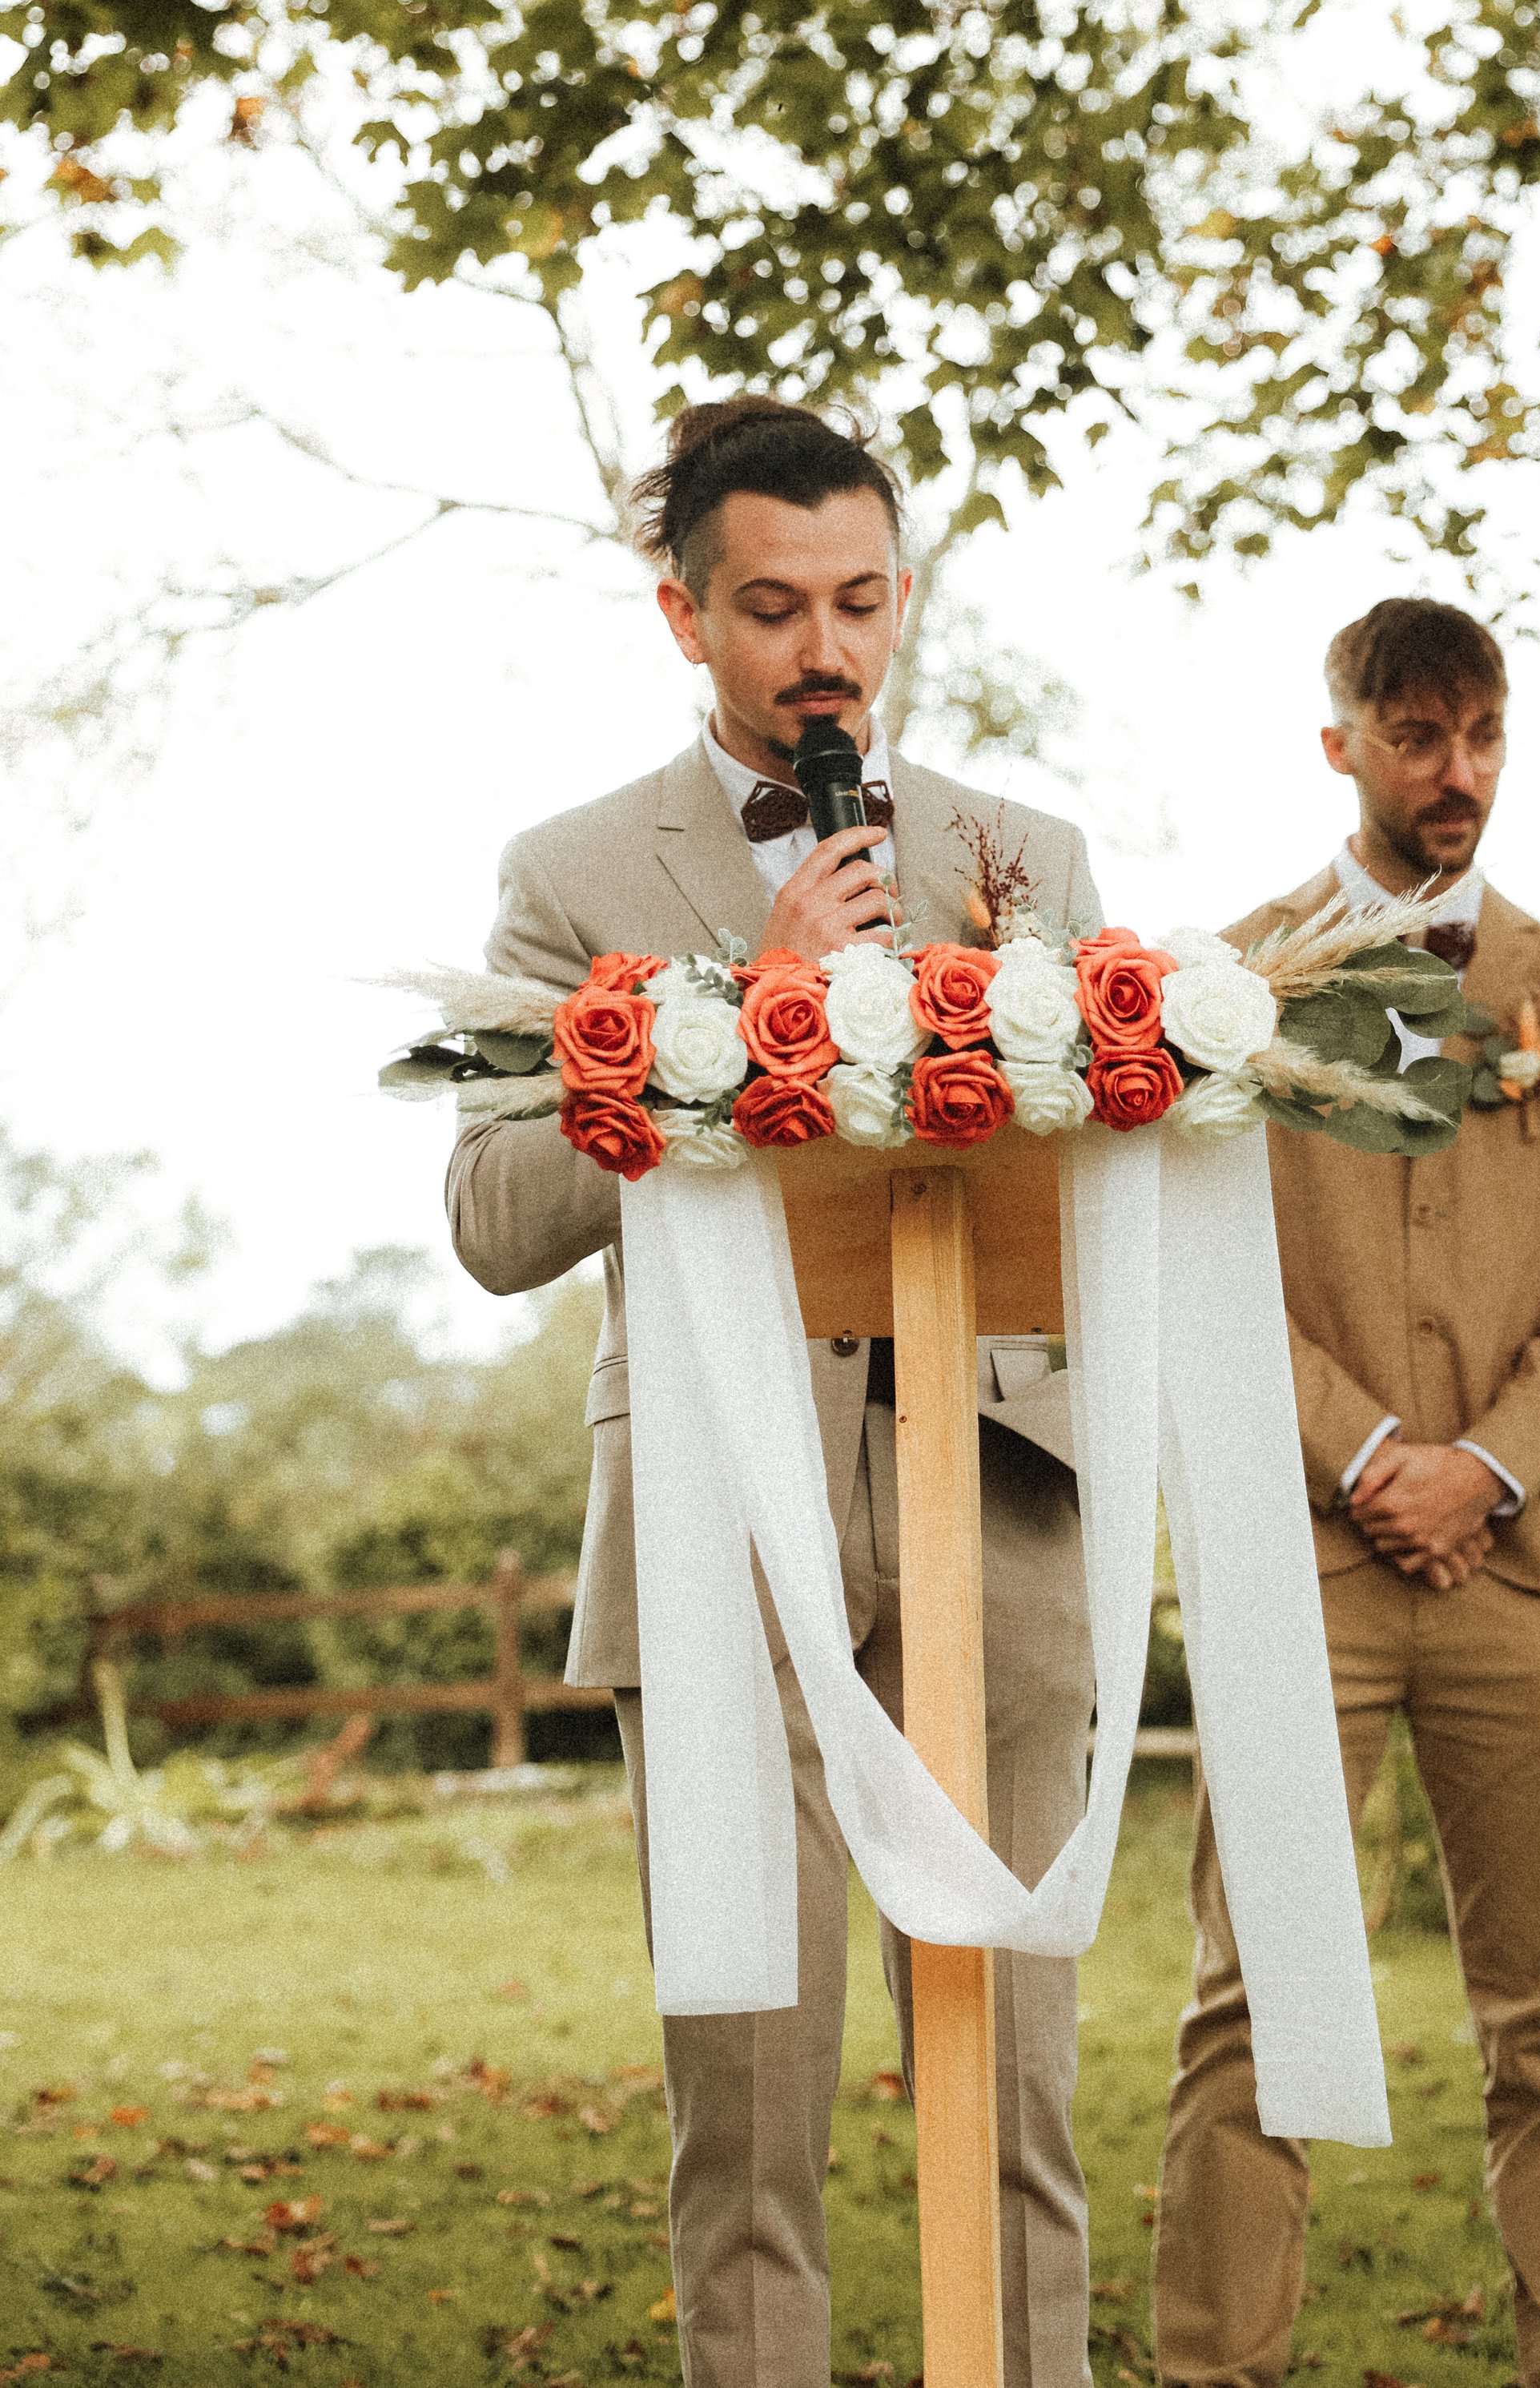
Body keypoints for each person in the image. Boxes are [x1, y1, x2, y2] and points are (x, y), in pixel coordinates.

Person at [447, 397, 1103, 2388]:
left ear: (897, 594)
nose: (824, 654)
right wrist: (736, 1027)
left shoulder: (1029, 854)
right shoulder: (574, 875)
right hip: (719, 1529)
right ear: (682, 616)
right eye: (770, 609)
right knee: (744, 2113)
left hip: (996, 1515)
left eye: (857, 602)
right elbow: (492, 1210)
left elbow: (1102, 1185)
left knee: (1021, 2107)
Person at [1151, 596, 1540, 2388]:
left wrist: (1487, 1465)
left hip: (1536, 1571)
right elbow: (1191, 1267)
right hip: (1304, 1560)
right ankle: (1218, 2369)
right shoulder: (1221, 991)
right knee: (1257, 1997)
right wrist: (1368, 1457)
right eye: (1415, 738)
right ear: (1339, 747)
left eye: (1480, 737)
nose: (1455, 776)